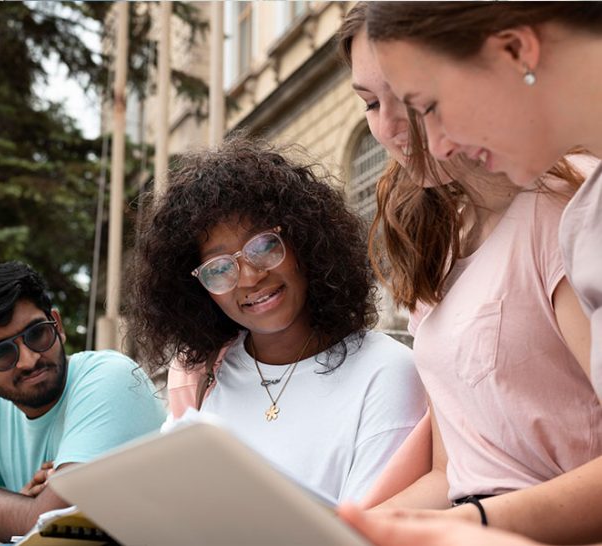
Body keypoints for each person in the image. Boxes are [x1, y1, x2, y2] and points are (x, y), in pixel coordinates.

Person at [334, 3, 602, 544]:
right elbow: (451, 471)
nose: (392, 130)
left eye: (418, 100)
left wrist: (470, 522)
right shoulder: (436, 245)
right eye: (369, 104)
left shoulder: (567, 206)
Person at [124, 136, 427, 503]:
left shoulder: (388, 372)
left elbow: (368, 532)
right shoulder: (201, 377)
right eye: (219, 268)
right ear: (199, 290)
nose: (250, 277)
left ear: (304, 241)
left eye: (264, 246)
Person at [0, 261, 166, 545]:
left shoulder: (110, 377)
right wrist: (12, 504)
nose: (29, 360)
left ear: (57, 325)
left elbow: (53, 524)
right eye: (1, 353)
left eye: (37, 334)